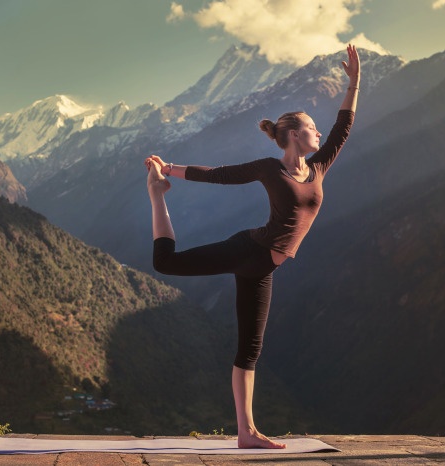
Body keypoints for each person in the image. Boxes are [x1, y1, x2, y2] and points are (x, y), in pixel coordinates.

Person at [144, 45, 360, 449]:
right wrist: (168, 169)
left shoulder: (318, 167)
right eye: (312, 128)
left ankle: (247, 432)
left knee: (250, 350)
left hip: (263, 269)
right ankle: (157, 194)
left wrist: (354, 83)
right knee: (166, 263)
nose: (318, 133)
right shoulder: (270, 168)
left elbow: (343, 128)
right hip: (249, 251)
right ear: (295, 134)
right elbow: (222, 175)